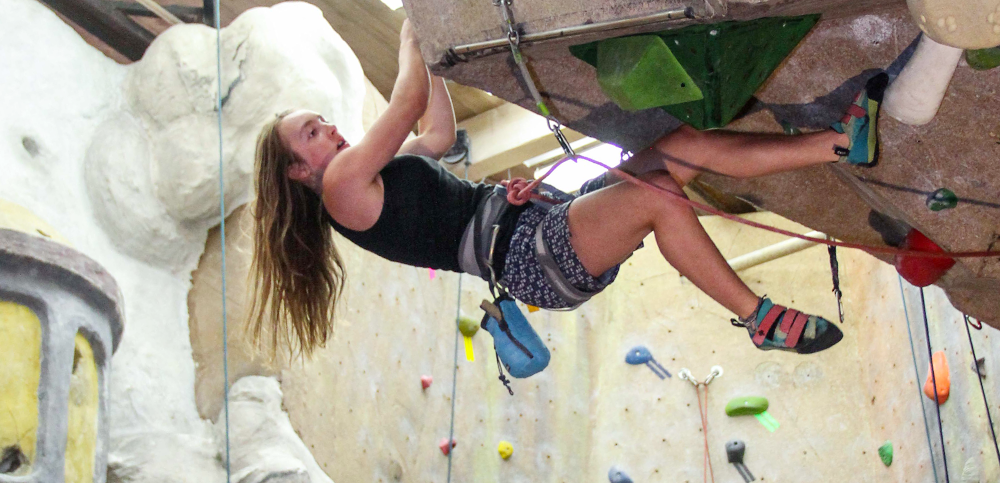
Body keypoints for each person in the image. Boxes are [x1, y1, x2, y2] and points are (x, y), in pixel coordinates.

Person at [247, 19, 887, 358]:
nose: (326, 125)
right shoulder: (340, 188)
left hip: (527, 230)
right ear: (297, 172)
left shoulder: (374, 176)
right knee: (659, 193)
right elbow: (407, 94)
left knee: (679, 148)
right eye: (310, 131)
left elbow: (433, 129)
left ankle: (838, 143)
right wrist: (416, 27)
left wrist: (432, 53)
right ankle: (757, 318)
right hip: (528, 261)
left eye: (319, 119)